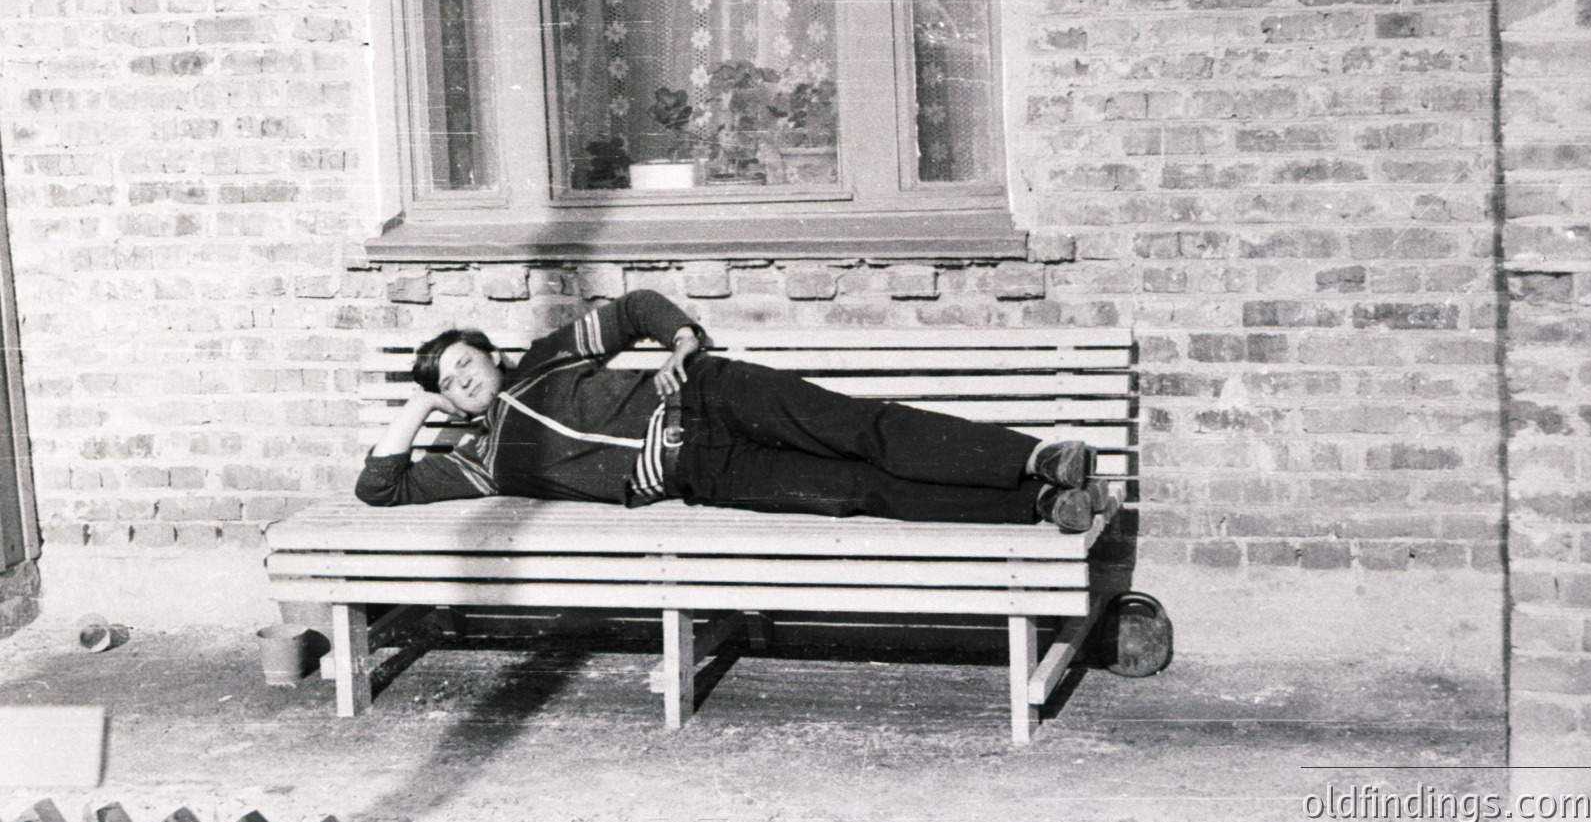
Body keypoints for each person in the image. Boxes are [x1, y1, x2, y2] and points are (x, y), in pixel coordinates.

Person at [357, 289, 1118, 531]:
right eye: (447, 383)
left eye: (465, 362)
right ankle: (1044, 504)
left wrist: (681, 338)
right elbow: (380, 488)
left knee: (863, 428)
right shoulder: (475, 463)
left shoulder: (550, 356)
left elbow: (632, 309)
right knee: (857, 492)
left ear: (490, 354)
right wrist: (416, 404)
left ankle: (1033, 455)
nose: (463, 381)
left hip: (710, 392)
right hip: (704, 468)